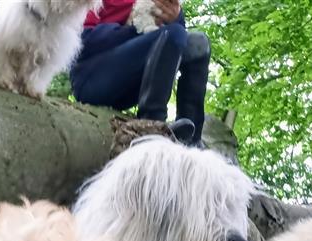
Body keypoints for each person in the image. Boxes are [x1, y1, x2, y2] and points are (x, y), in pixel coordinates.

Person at [69, 0, 210, 146]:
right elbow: (82, 40)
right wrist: (133, 29)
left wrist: (176, 17)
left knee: (198, 43)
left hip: (133, 82)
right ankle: (151, 125)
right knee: (174, 32)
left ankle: (191, 140)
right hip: (91, 79)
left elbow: (175, 45)